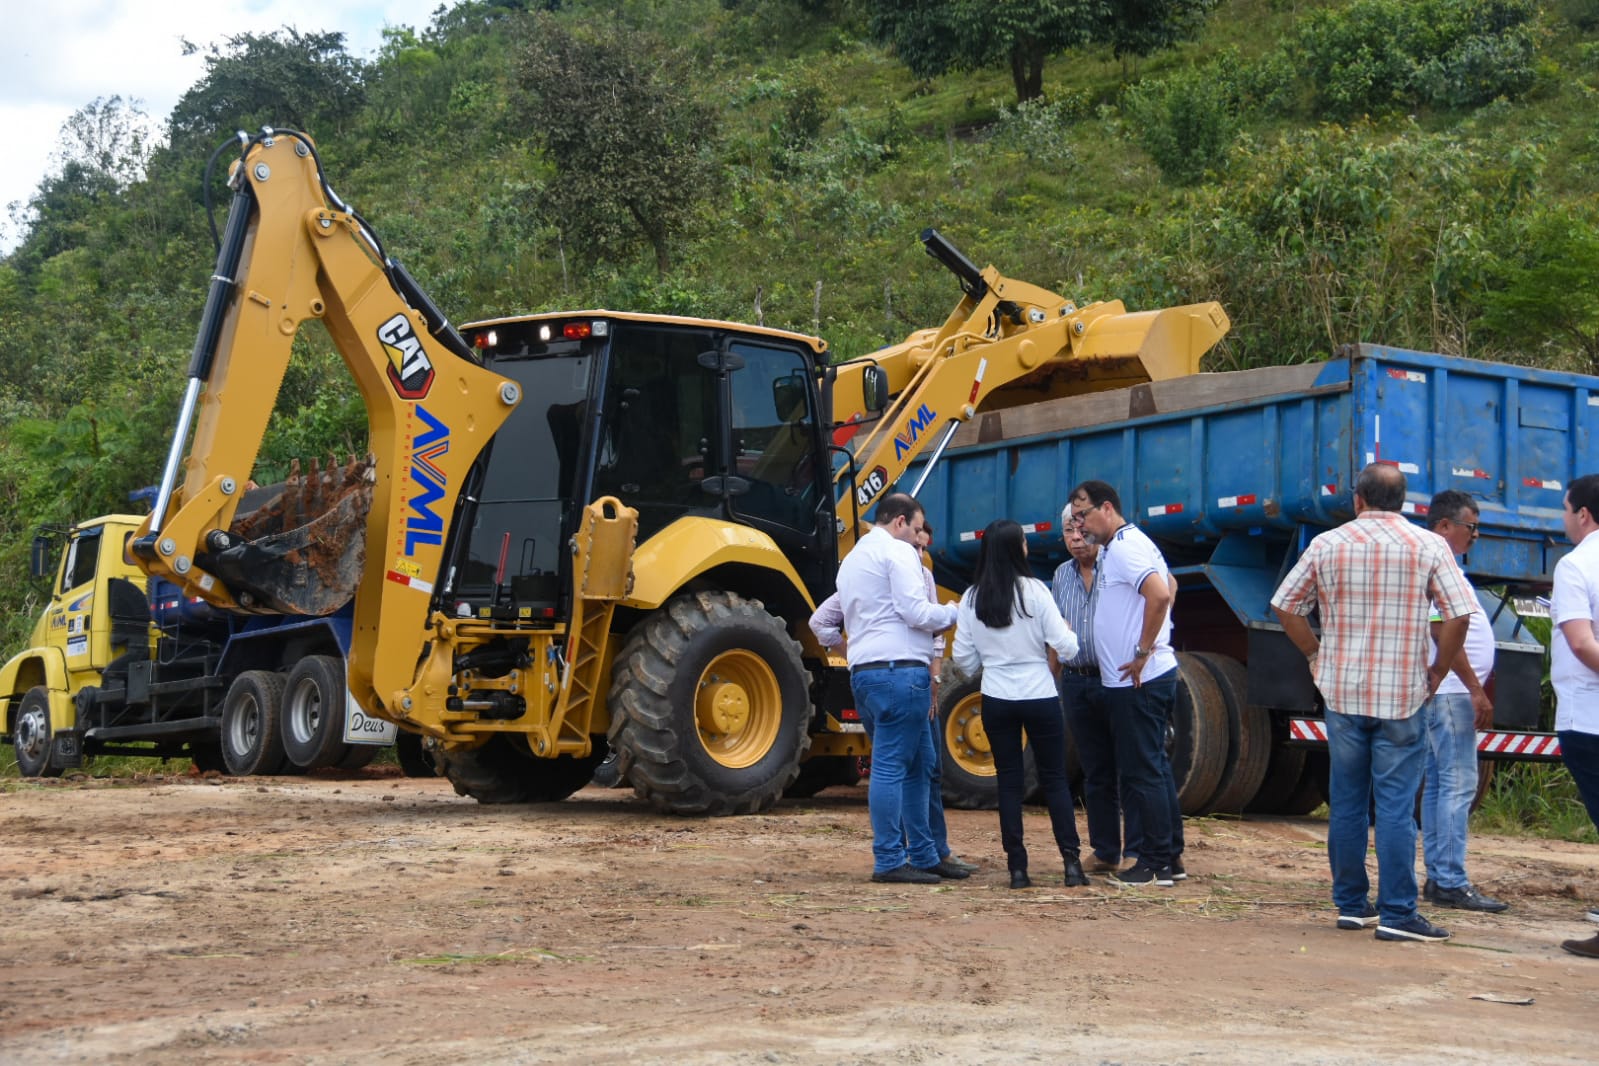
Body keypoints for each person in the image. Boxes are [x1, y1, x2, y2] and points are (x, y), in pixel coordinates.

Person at [1271, 463, 1476, 942]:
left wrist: (1313, 654)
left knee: (1346, 802)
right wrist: (1439, 669)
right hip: (1403, 696)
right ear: (1404, 501)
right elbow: (1459, 614)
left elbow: (1285, 604)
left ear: (1358, 498)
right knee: (1396, 808)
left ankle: (1350, 904)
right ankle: (1398, 913)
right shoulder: (1428, 546)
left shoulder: (1328, 544)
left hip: (1342, 693)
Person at [808, 521, 976, 874]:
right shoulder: (900, 564)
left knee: (919, 766)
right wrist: (958, 612)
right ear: (901, 525)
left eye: (923, 547)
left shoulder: (859, 569)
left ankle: (927, 854)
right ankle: (891, 857)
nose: (920, 553)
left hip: (874, 676)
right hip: (903, 675)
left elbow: (820, 622)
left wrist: (852, 649)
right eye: (916, 540)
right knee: (895, 767)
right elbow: (921, 618)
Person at [951, 519, 1086, 889]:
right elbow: (1067, 648)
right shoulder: (1035, 591)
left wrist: (990, 660)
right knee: (1055, 779)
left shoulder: (972, 597)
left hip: (997, 696)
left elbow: (963, 661)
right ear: (1016, 548)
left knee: (1009, 785)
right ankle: (1071, 865)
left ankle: (1018, 869)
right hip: (1039, 693)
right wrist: (1069, 632)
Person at [1067, 480, 1183, 887]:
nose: (1080, 526)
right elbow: (1171, 584)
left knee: (1143, 772)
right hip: (1139, 678)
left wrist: (1142, 648)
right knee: (1154, 767)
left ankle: (1154, 864)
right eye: (1075, 518)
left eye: (1083, 514)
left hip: (1138, 680)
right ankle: (1170, 857)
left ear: (1107, 508)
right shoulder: (1126, 545)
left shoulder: (1125, 547)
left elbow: (1159, 594)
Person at [1419, 491, 1508, 913]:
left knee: (1440, 785)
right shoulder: (1440, 567)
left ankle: (1440, 878)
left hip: (1447, 691)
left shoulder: (1443, 565)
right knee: (1457, 786)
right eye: (1470, 526)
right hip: (1453, 694)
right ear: (1444, 526)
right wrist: (1475, 688)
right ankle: (1450, 881)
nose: (1475, 535)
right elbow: (1441, 631)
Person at [1050, 508, 1131, 873]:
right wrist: (1051, 683)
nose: (1076, 536)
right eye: (1069, 530)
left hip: (1116, 679)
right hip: (1077, 681)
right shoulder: (1059, 576)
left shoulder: (1115, 567)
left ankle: (1139, 849)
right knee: (1095, 771)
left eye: (1080, 528)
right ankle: (1105, 850)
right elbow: (1054, 637)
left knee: (1130, 767)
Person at [1550, 473, 1599, 959]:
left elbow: (1582, 643)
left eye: (1565, 509)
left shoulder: (1577, 564)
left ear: (1583, 513)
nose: (1563, 519)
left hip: (1589, 717)